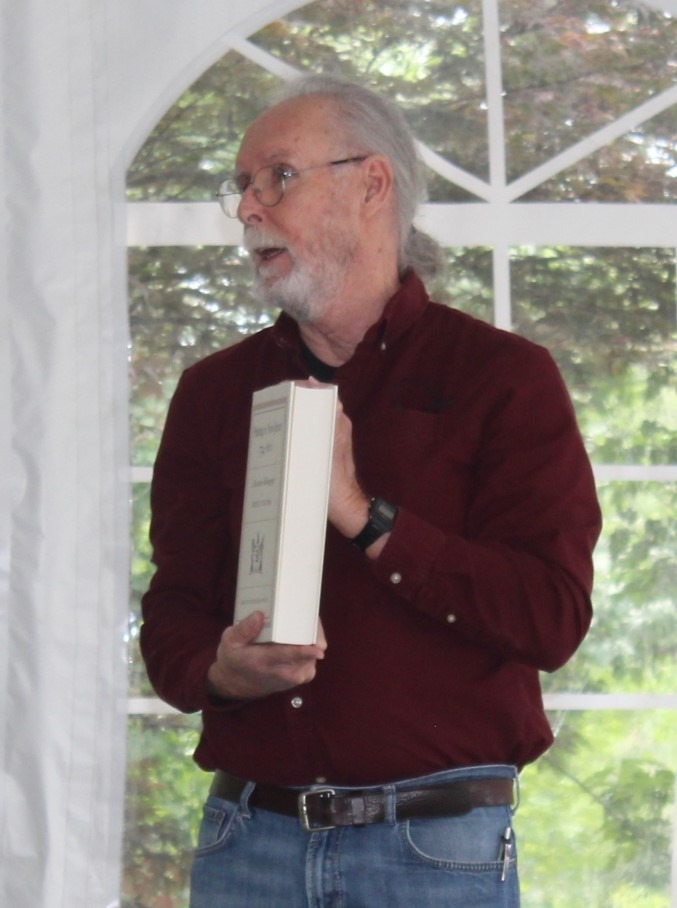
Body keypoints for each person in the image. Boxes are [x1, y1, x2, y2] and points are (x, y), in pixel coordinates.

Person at [140, 73, 602, 907]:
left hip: (436, 852)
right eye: (240, 186)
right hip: (247, 842)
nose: (248, 208)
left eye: (276, 176)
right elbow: (171, 614)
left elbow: (549, 615)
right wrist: (220, 671)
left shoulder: (502, 379)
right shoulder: (213, 393)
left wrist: (363, 513)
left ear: (371, 184)